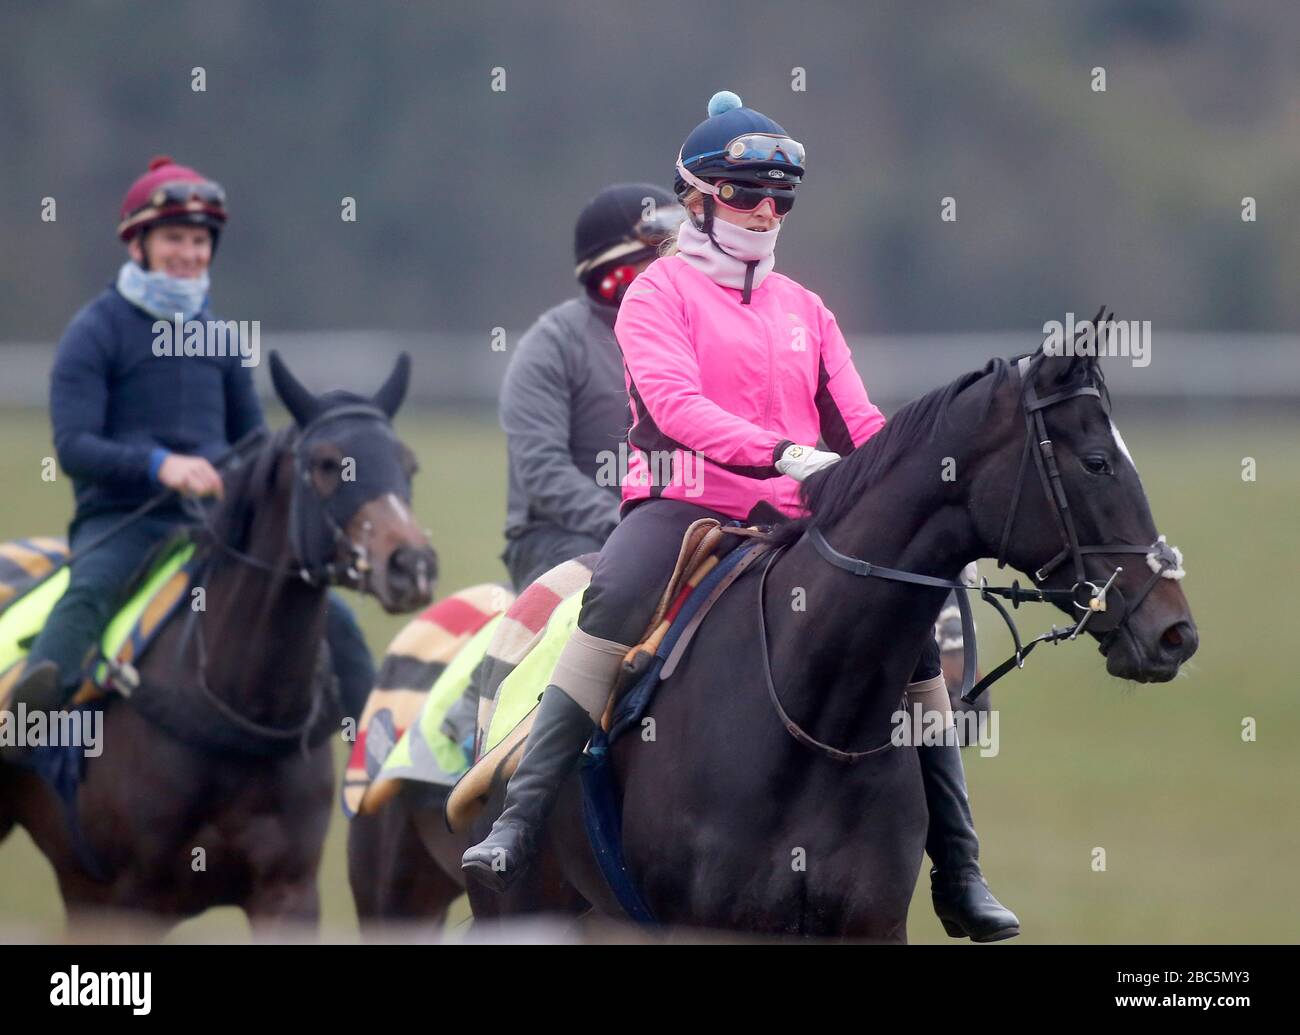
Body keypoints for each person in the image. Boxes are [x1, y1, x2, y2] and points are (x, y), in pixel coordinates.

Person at [463, 93, 1018, 940]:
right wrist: (776, 452)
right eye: (745, 192)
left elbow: (864, 426)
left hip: (798, 515)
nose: (765, 211)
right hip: (680, 504)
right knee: (611, 595)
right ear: (697, 197)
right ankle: (520, 818)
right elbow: (676, 407)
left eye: (780, 196)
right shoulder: (657, 296)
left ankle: (960, 867)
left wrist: (921, 503)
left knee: (911, 640)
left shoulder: (809, 309)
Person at [11, 155, 375, 723]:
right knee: (86, 598)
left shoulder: (222, 338)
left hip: (215, 526)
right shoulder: (94, 330)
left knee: (335, 619)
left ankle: (374, 753)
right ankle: (22, 724)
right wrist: (162, 466)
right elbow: (75, 447)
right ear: (138, 245)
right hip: (123, 523)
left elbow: (253, 444)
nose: (189, 253)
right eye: (174, 239)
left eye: (200, 241)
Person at [500, 183, 683, 591]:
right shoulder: (552, 344)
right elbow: (543, 473)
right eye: (662, 260)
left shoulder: (698, 335)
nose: (681, 272)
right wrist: (628, 523)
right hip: (561, 537)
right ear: (611, 273)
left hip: (674, 529)